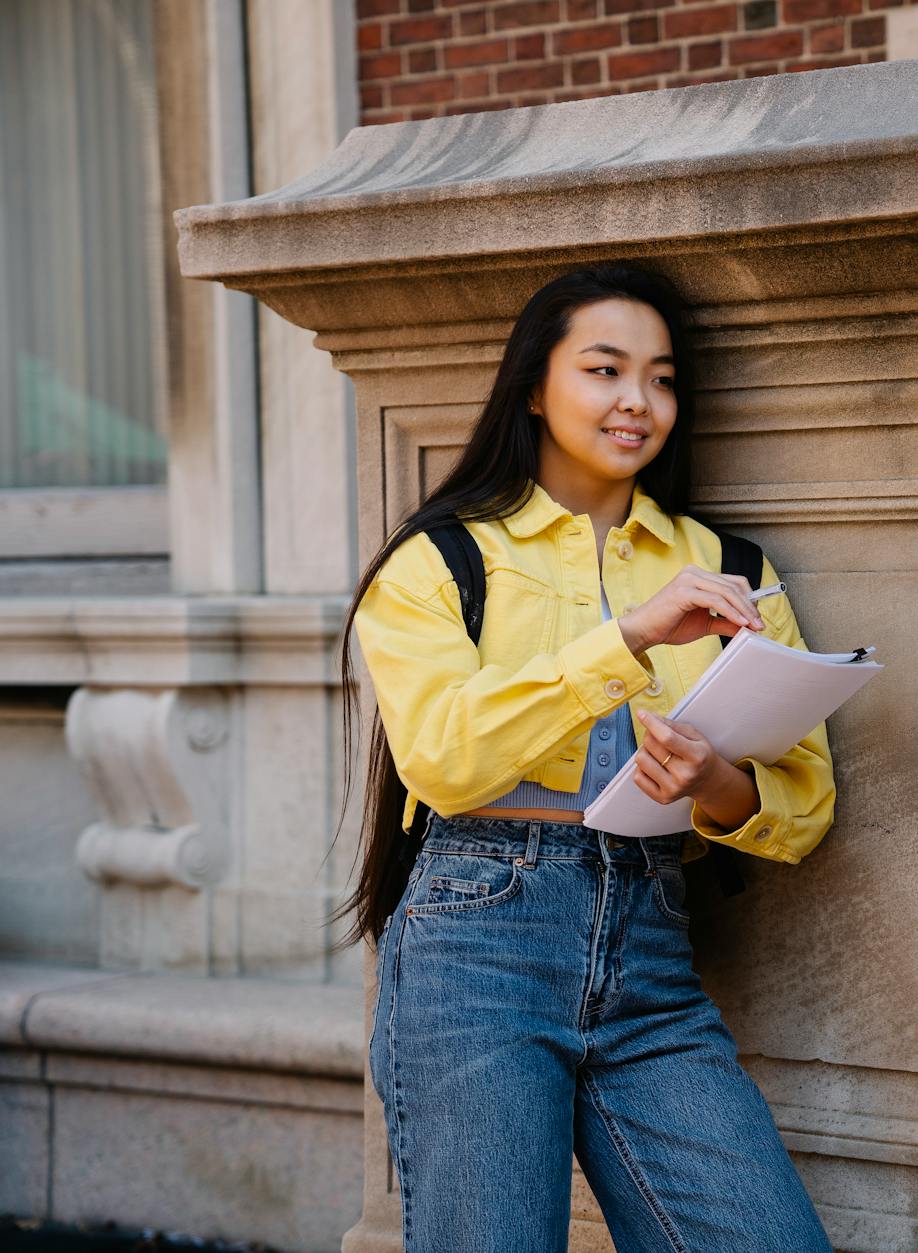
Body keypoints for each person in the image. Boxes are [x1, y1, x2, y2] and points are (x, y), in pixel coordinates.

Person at [338, 265, 835, 1252]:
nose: (636, 402)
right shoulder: (442, 558)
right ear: (534, 385)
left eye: (660, 378)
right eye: (604, 370)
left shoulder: (728, 565)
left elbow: (802, 803)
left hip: (651, 944)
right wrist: (632, 637)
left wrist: (711, 784)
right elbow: (440, 756)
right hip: (476, 944)